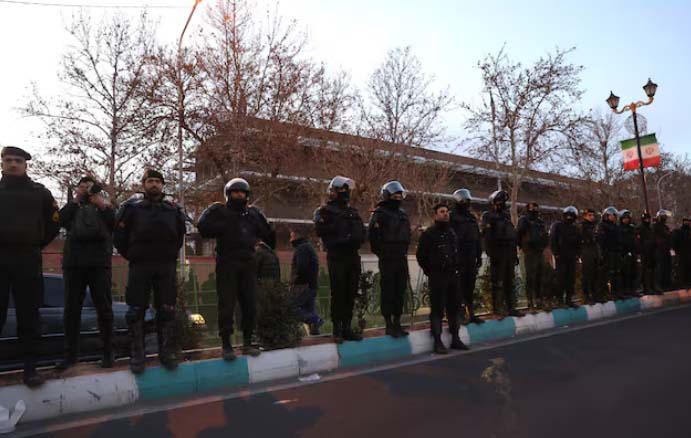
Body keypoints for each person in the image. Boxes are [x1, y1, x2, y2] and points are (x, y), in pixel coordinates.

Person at [113, 169, 186, 374]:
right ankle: (138, 355)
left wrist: (169, 254)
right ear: (144, 184)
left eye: (158, 181)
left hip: (165, 266)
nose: (154, 184)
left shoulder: (173, 210)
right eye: (150, 181)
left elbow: (179, 236)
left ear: (163, 185)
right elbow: (119, 237)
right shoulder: (131, 209)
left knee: (167, 309)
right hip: (140, 265)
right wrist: (133, 255)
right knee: (135, 311)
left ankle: (166, 353)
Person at [0, 146, 59, 387]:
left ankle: (30, 369)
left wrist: (35, 244)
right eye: (8, 160)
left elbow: (53, 223)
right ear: (2, 164)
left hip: (27, 260)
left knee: (29, 315)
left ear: (26, 165)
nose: (13, 164)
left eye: (18, 160)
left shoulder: (40, 193)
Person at [197, 178, 275, 360]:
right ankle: (226, 345)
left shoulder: (252, 214)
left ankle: (248, 342)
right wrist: (215, 217)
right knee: (226, 305)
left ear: (247, 195)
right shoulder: (221, 211)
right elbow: (203, 227)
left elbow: (268, 234)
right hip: (227, 263)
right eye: (235, 192)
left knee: (250, 305)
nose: (239, 195)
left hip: (248, 263)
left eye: (242, 192)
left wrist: (265, 224)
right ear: (228, 194)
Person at [56, 176, 115, 370]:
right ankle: (70, 356)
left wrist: (101, 203)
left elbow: (115, 224)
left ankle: (108, 354)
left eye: (89, 187)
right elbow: (59, 220)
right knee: (71, 310)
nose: (86, 190)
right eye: (82, 187)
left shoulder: (103, 207)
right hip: (74, 264)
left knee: (104, 309)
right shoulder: (73, 207)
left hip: (99, 264)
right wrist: (76, 200)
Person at [314, 176, 365, 343]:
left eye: (346, 190)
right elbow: (321, 231)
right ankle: (337, 329)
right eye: (341, 190)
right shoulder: (325, 212)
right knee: (338, 293)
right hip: (337, 257)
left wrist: (353, 238)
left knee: (351, 293)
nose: (344, 193)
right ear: (333, 192)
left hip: (353, 256)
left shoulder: (353, 212)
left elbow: (361, 233)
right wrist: (342, 235)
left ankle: (347, 328)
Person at [416, 204, 469, 354]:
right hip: (438, 276)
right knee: (437, 308)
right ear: (436, 215)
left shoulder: (451, 232)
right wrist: (431, 271)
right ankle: (437, 341)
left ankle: (455, 338)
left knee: (454, 307)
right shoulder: (429, 234)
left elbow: (457, 252)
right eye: (442, 212)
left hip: (453, 275)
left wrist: (458, 267)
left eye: (446, 212)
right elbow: (421, 256)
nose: (445, 214)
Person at [369, 180, 411, 338]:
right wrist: (383, 253)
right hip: (387, 258)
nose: (397, 197)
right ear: (387, 195)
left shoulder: (403, 214)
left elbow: (407, 234)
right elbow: (373, 237)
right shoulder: (379, 213)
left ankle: (397, 322)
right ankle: (388, 324)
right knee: (388, 290)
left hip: (401, 257)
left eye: (399, 195)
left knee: (400, 290)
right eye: (394, 195)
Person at [481, 190, 520, 318]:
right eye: (498, 201)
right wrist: (492, 253)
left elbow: (512, 236)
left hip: (509, 252)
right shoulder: (488, 216)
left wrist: (514, 254)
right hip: (498, 253)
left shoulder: (506, 216)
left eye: (503, 201)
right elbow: (487, 237)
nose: (501, 204)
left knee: (509, 282)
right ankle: (497, 309)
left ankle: (510, 308)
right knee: (498, 282)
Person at [449, 188, 484, 324]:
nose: (467, 202)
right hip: (459, 255)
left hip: (471, 255)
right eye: (464, 200)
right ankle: (460, 313)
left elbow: (477, 238)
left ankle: (471, 313)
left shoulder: (471, 217)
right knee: (459, 286)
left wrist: (479, 255)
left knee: (470, 285)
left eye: (468, 200)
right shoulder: (452, 216)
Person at [289, 229, 322, 335]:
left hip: (303, 285)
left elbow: (301, 268)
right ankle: (315, 333)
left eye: (291, 236)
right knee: (309, 309)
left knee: (291, 308)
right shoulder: (308, 247)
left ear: (297, 236)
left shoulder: (302, 248)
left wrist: (294, 280)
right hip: (311, 285)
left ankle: (315, 320)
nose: (290, 239)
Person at [516, 202, 548, 309]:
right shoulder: (524, 220)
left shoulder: (540, 221)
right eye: (532, 207)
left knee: (540, 275)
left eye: (536, 207)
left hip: (539, 251)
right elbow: (518, 234)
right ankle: (530, 300)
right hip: (529, 251)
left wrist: (544, 245)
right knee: (530, 276)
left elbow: (544, 235)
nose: (535, 209)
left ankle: (539, 299)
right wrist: (521, 247)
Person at [550, 206, 582, 308]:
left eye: (571, 216)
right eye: (568, 215)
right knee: (560, 278)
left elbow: (578, 243)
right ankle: (559, 300)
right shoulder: (557, 226)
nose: (569, 217)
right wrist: (556, 253)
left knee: (570, 279)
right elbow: (553, 240)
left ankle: (569, 299)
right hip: (561, 256)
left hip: (571, 257)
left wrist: (577, 254)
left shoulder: (575, 228)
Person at [597, 207, 621, 300]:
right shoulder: (602, 226)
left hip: (615, 252)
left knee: (616, 272)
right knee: (606, 273)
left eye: (614, 215)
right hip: (607, 252)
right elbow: (601, 240)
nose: (613, 217)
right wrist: (603, 252)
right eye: (612, 215)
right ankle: (606, 293)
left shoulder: (615, 226)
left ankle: (616, 291)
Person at [579, 209, 600, 303]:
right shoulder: (582, 226)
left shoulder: (594, 225)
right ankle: (586, 294)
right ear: (585, 216)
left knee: (595, 274)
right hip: (586, 251)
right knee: (587, 274)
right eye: (589, 215)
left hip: (594, 251)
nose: (592, 217)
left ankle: (594, 293)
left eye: (593, 215)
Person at [635, 212, 658, 295]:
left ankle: (652, 286)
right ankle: (646, 288)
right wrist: (641, 250)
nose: (647, 220)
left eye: (648, 219)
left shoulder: (650, 228)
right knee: (645, 270)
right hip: (644, 252)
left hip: (651, 252)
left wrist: (654, 245)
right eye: (646, 219)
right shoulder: (640, 228)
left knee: (652, 269)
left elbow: (653, 238)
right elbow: (638, 241)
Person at [617, 210, 639, 297]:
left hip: (632, 252)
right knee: (625, 272)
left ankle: (633, 289)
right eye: (624, 218)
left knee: (633, 271)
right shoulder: (619, 228)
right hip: (624, 253)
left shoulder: (631, 228)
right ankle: (625, 290)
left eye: (627, 218)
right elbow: (620, 241)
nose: (626, 220)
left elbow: (635, 240)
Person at [653, 209, 673, 292]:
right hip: (659, 250)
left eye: (664, 217)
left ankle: (667, 283)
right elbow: (655, 238)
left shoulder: (665, 227)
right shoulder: (655, 226)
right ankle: (661, 284)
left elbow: (669, 236)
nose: (664, 218)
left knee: (667, 267)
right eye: (662, 217)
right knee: (661, 268)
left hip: (666, 249)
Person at [672, 217, 691, 289]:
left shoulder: (688, 231)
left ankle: (687, 282)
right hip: (682, 253)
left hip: (687, 253)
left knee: (687, 268)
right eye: (686, 221)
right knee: (682, 268)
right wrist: (677, 251)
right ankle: (683, 283)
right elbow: (676, 243)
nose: (687, 223)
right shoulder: (679, 231)